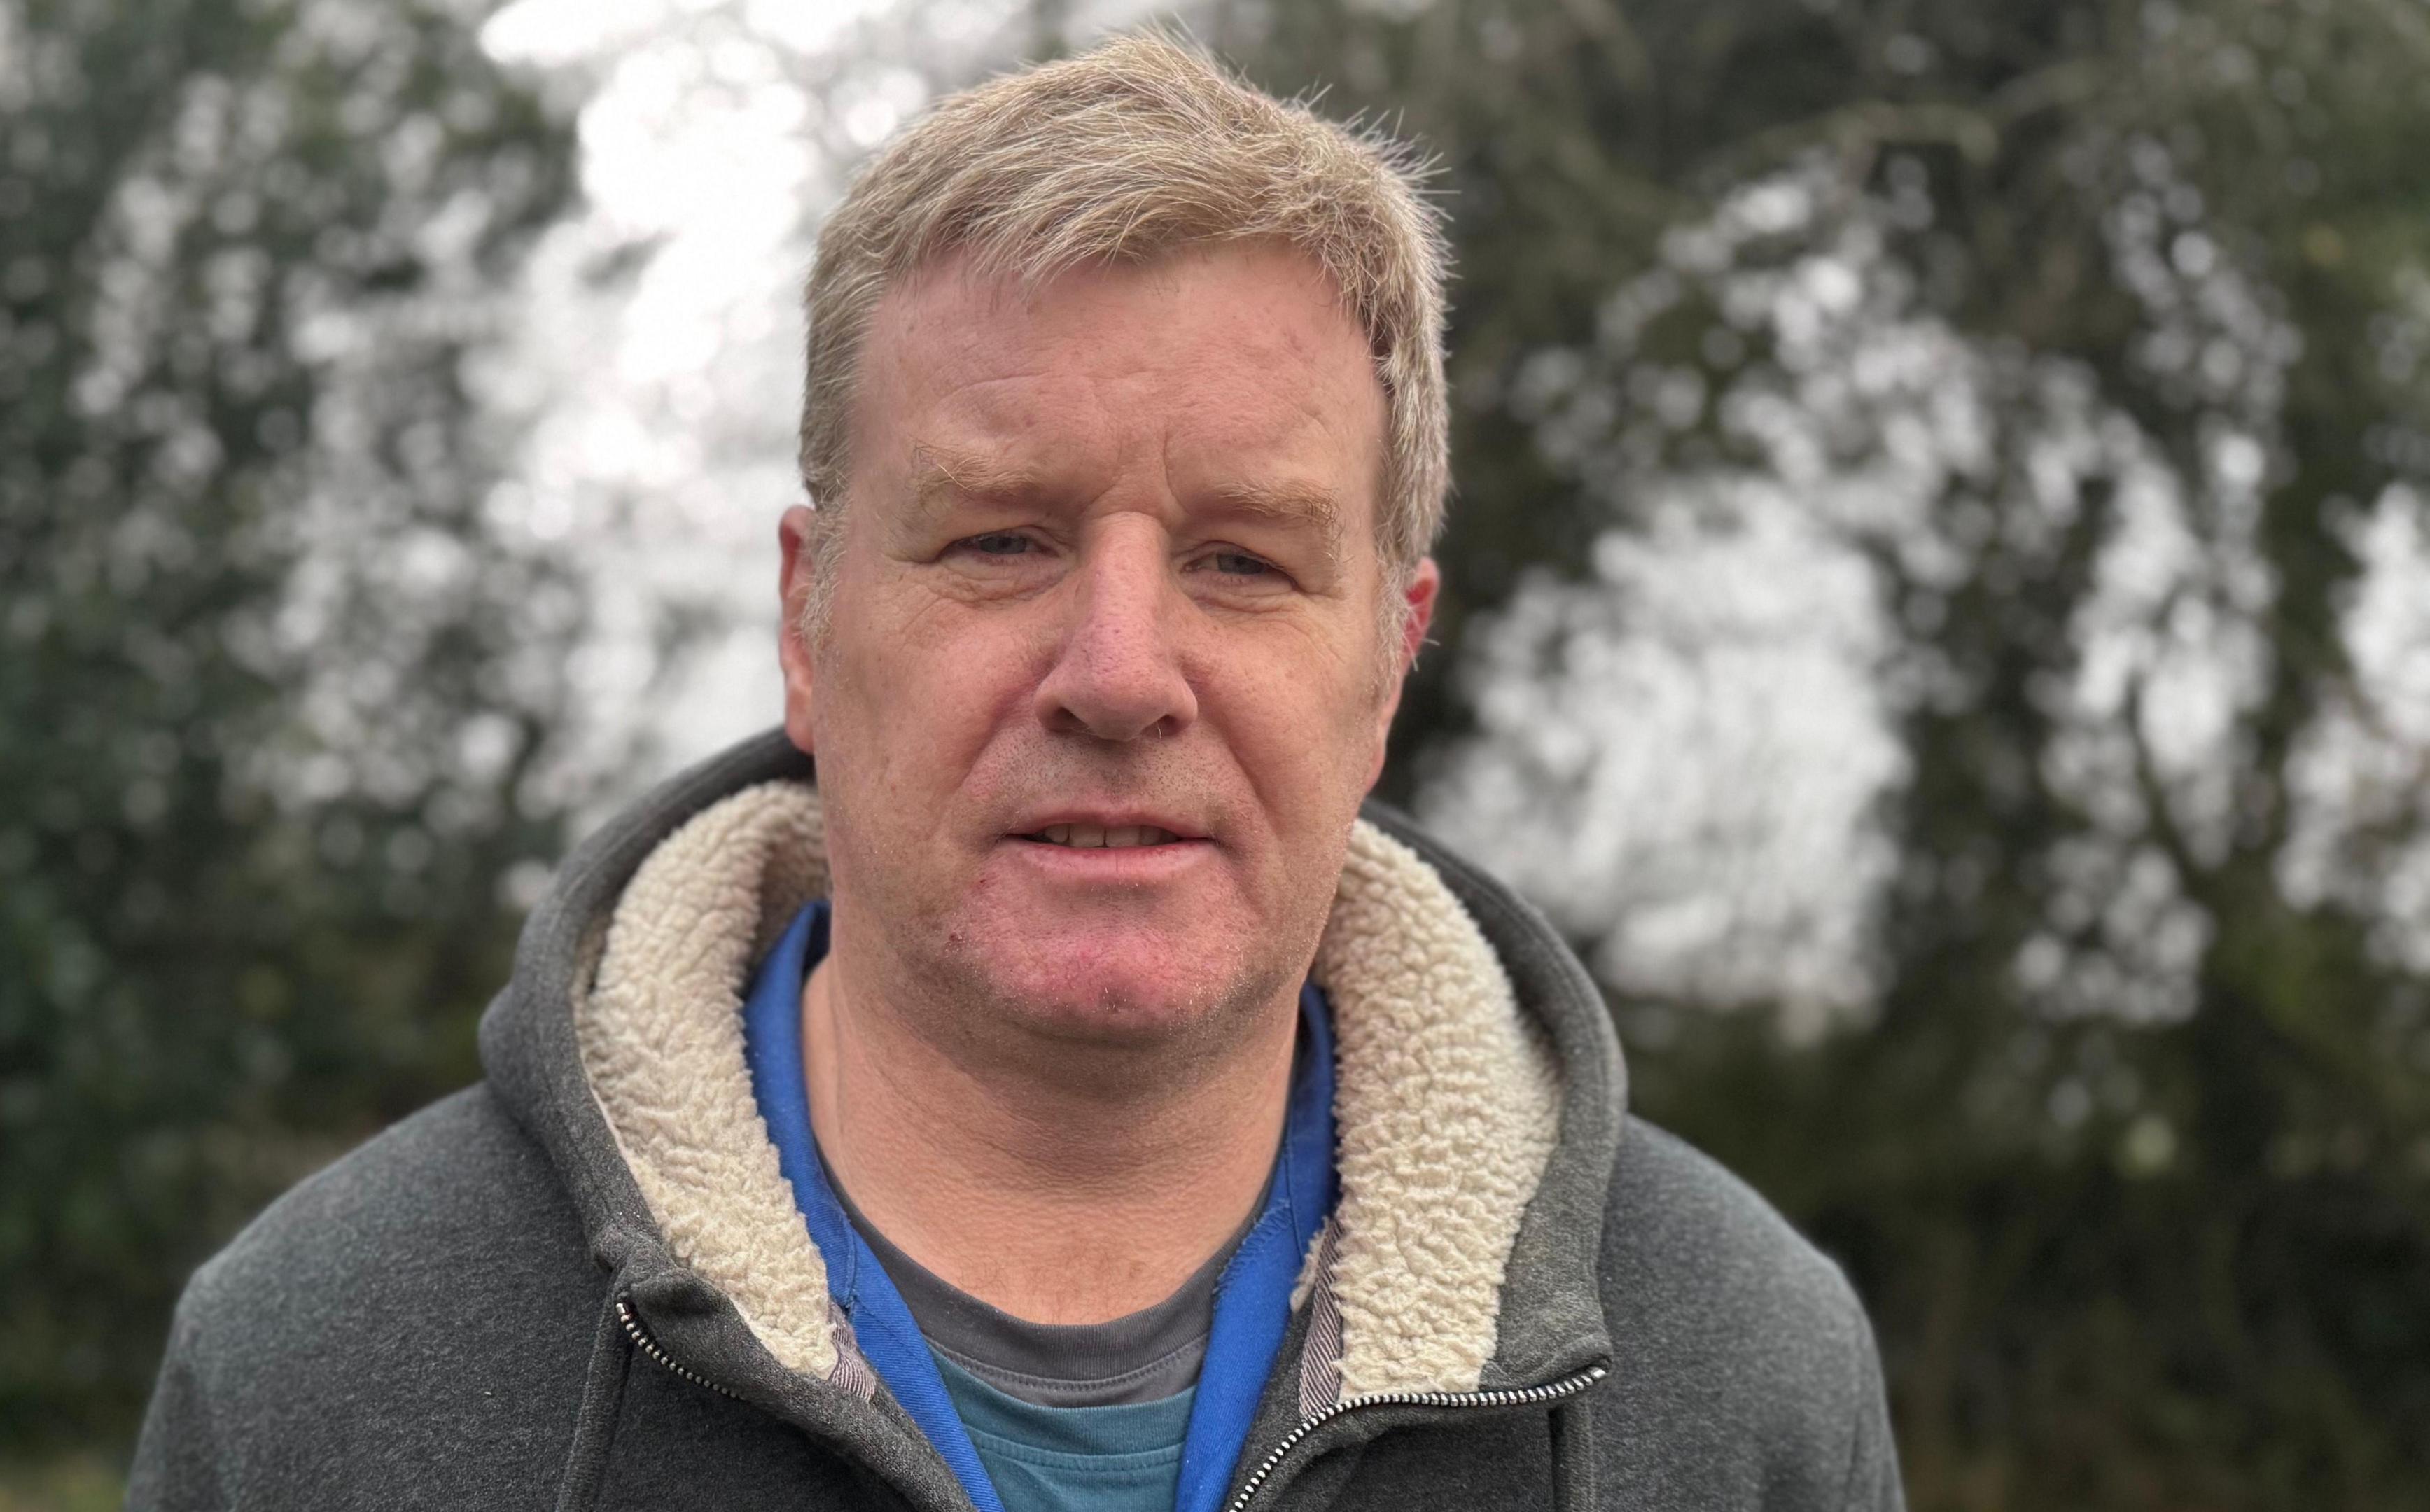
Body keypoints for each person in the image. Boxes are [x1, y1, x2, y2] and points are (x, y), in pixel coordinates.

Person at [126, 34, 1903, 1512]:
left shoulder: (1740, 1381)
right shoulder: (324, 1369)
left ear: (1390, 659)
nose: (1121, 675)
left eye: (1244, 562)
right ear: (810, 622)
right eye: (997, 542)